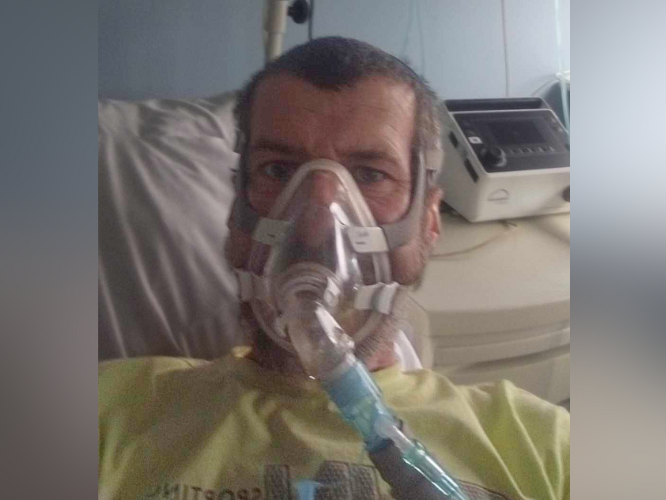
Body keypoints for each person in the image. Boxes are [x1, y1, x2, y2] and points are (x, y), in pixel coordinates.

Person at [99, 37, 570, 500]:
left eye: (370, 175)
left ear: (428, 221)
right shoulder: (113, 410)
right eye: (278, 170)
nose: (317, 222)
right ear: (235, 210)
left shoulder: (543, 444)